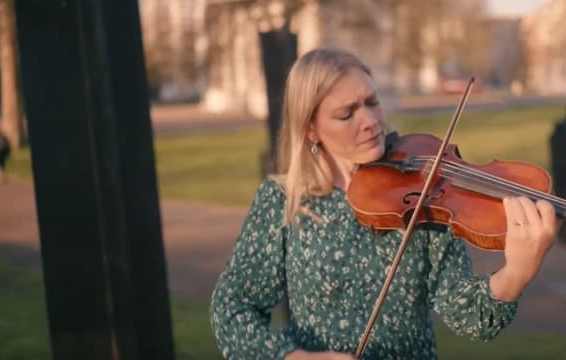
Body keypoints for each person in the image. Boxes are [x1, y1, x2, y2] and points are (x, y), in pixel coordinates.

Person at [209, 48, 559, 360]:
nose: (370, 122)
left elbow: (470, 319)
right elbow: (232, 308)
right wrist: (293, 357)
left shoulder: (426, 191)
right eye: (347, 114)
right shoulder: (282, 202)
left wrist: (517, 273)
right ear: (311, 129)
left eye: (372, 102)